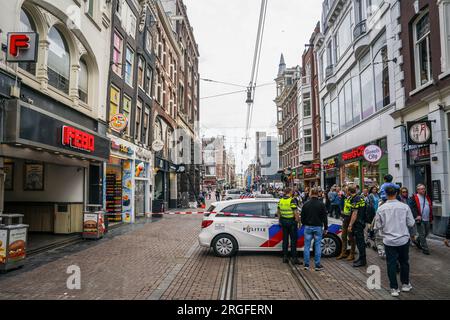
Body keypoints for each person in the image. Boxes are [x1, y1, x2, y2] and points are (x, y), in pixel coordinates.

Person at [374, 186, 415, 297]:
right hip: (403, 239)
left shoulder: (381, 208)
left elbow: (377, 225)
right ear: (397, 193)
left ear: (386, 194)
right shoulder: (405, 207)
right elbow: (411, 223)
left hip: (389, 240)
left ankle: (394, 288)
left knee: (391, 264)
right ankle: (405, 284)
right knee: (404, 262)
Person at [301, 188, 328, 271]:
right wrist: (325, 228)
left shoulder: (306, 204)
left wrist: (305, 223)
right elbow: (324, 217)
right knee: (317, 246)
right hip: (318, 227)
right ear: (318, 194)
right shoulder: (321, 204)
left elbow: (302, 217)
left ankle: (306, 264)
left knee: (307, 246)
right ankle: (317, 265)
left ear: (310, 193)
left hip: (308, 227)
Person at [277, 188, 301, 265]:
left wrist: (280, 220)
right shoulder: (292, 200)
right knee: (293, 240)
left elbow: (278, 212)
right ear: (290, 192)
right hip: (291, 222)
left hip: (284, 222)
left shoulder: (281, 200)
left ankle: (285, 257)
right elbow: (295, 213)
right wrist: (298, 222)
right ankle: (294, 258)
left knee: (285, 240)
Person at [409, 184, 432, 255]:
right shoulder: (414, 197)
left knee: (426, 233)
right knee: (422, 234)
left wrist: (431, 217)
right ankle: (425, 249)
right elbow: (412, 208)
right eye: (421, 189)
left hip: (427, 218)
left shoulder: (427, 197)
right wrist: (417, 215)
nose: (423, 190)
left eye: (424, 189)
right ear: (418, 190)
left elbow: (430, 207)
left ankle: (417, 240)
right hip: (419, 219)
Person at [347, 185, 367, 267]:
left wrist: (350, 225)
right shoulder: (360, 197)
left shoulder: (355, 199)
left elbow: (355, 213)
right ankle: (361, 258)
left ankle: (362, 260)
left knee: (360, 242)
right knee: (359, 242)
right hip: (361, 221)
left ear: (349, 191)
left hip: (358, 223)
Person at [336, 187, 356, 261]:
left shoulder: (353, 199)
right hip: (345, 219)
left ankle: (352, 254)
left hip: (350, 220)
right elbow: (344, 208)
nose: (345, 192)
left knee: (351, 237)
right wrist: (342, 215)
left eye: (346, 191)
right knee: (343, 236)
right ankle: (343, 253)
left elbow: (354, 211)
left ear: (349, 192)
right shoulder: (346, 198)